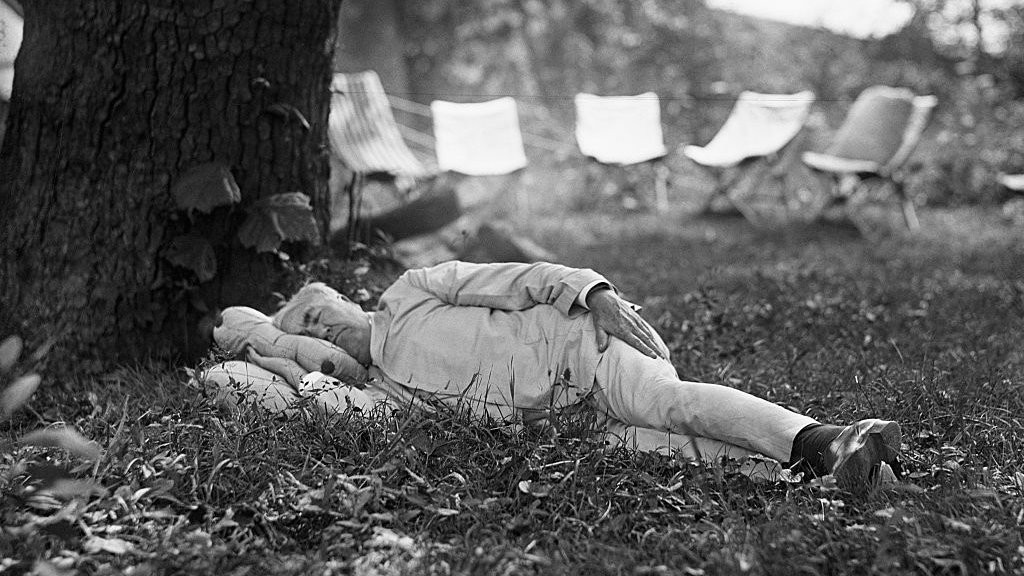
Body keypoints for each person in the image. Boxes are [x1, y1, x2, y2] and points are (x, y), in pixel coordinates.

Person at [203, 260, 901, 493]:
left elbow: (519, 278)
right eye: (307, 333)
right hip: (564, 428)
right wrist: (275, 355)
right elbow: (317, 403)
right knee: (675, 451)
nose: (321, 330)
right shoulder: (378, 393)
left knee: (670, 402)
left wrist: (594, 293)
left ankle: (827, 440)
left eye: (319, 312)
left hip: (582, 350)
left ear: (345, 300)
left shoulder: (409, 293)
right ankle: (837, 477)